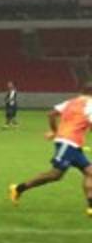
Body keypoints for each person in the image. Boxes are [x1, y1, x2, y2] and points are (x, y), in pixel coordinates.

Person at [9, 82, 92, 218]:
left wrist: (55, 131)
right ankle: (18, 188)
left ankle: (90, 207)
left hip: (72, 144)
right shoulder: (90, 105)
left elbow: (51, 114)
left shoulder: (71, 102)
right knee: (55, 174)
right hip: (68, 143)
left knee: (90, 172)